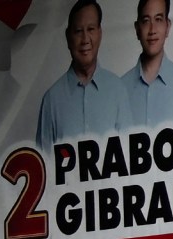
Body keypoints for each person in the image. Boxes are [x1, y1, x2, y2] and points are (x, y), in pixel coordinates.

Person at [35, 1, 134, 148]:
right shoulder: (52, 99)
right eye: (78, 31)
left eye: (91, 29)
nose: (85, 39)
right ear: (68, 37)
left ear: (100, 34)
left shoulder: (118, 91)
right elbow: (44, 166)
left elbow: (130, 158)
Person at [121, 0, 173, 128]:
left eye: (158, 19)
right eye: (146, 21)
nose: (152, 30)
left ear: (167, 27)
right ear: (137, 29)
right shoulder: (120, 89)